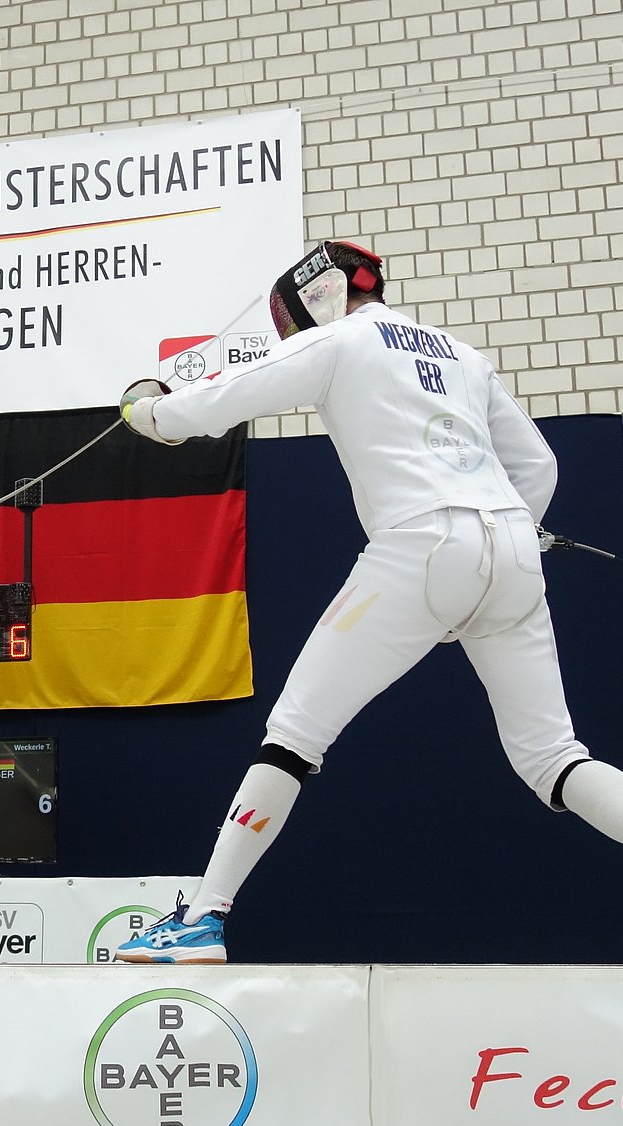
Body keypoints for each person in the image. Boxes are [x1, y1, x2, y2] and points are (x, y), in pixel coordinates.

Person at [113, 238, 623, 964]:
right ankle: (201, 919)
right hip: (513, 550)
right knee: (554, 759)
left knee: (295, 733)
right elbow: (537, 465)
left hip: (420, 544)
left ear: (315, 299)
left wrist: (147, 412)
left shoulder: (341, 342)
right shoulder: (463, 354)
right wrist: (505, 544)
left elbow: (204, 408)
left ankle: (202, 920)